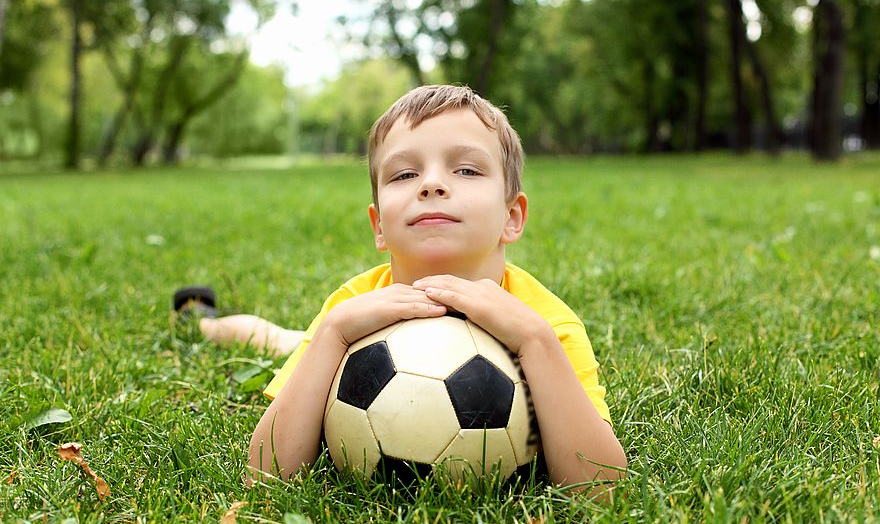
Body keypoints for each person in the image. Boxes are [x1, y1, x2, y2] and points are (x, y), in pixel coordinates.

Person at [179, 84, 627, 498]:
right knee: (280, 339)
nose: (432, 184)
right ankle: (204, 320)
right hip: (339, 330)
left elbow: (603, 489)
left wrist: (534, 343)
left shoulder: (546, 323)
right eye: (404, 174)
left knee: (287, 338)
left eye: (467, 169)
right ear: (378, 227)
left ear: (512, 216)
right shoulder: (351, 307)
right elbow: (266, 475)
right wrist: (333, 334)